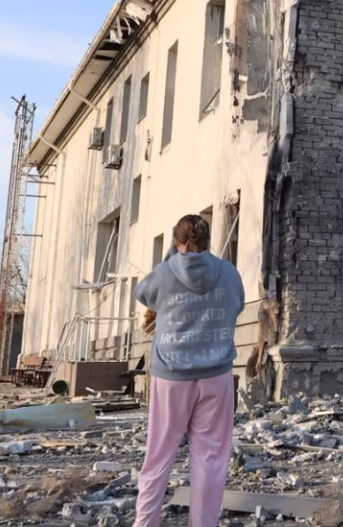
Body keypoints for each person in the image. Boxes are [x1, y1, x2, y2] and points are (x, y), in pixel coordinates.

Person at [132, 213, 246, 527]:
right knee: (210, 460)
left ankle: (145, 523)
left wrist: (172, 258)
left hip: (172, 375)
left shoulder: (165, 272)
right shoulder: (229, 272)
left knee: (159, 455)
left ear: (176, 241)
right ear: (209, 241)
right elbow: (237, 305)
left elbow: (142, 292)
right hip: (216, 376)